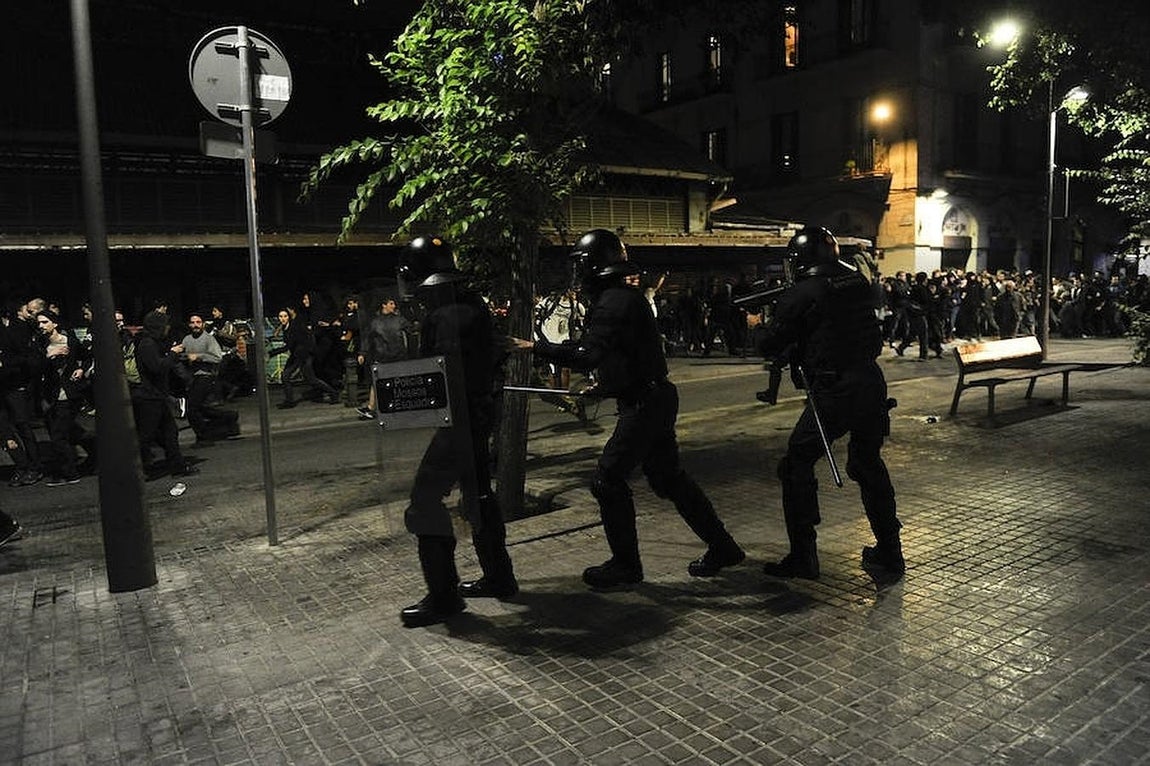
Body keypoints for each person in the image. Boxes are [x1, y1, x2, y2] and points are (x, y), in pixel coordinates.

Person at [511, 229, 743, 589]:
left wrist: (534, 348)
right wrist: (605, 386)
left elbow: (588, 353)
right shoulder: (622, 298)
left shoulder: (614, 302)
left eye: (581, 264)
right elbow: (628, 355)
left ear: (593, 265)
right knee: (669, 479)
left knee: (607, 480)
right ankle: (723, 547)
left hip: (645, 404)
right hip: (653, 397)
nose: (578, 273)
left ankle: (626, 566)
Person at [753, 226, 904, 584]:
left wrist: (757, 325)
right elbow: (831, 327)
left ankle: (803, 556)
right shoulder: (856, 282)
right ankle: (891, 551)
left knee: (796, 464)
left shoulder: (803, 292)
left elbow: (769, 344)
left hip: (835, 389)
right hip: (870, 382)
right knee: (868, 463)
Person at [396, 236, 516, 628]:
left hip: (458, 422)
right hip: (476, 417)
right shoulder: (472, 304)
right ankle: (499, 576)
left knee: (423, 502)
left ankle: (444, 597)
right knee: (479, 495)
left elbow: (443, 375)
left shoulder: (445, 316)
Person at [131, 310, 198, 479]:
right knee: (146, 436)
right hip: (148, 398)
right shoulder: (147, 344)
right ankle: (137, 469)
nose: (168, 328)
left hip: (157, 396)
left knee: (170, 432)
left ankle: (177, 466)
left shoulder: (153, 342)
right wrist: (173, 354)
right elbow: (157, 367)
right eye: (165, 325)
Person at [35, 309, 95, 486]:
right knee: (70, 431)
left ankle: (69, 473)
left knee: (58, 436)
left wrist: (81, 369)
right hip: (50, 395)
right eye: (39, 323)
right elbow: (35, 368)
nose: (41, 326)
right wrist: (49, 356)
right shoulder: (39, 344)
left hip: (69, 394)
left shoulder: (69, 340)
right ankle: (96, 452)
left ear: (54, 323)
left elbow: (87, 357)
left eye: (45, 322)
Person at [180, 313, 240, 445]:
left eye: (198, 322)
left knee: (192, 409)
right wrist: (181, 354)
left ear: (203, 324)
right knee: (199, 408)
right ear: (189, 324)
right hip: (193, 377)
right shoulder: (187, 339)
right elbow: (184, 354)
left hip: (206, 376)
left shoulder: (208, 339)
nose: (195, 325)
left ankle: (204, 437)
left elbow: (217, 357)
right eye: (193, 322)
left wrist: (199, 357)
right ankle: (230, 416)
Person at [358, 296, 415, 420]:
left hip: (384, 354)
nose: (393, 306)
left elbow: (367, 339)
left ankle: (371, 408)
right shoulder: (399, 320)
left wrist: (362, 353)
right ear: (384, 305)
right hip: (396, 354)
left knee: (377, 381)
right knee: (396, 380)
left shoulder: (376, 322)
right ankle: (403, 405)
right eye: (391, 303)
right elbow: (412, 330)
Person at [272, 307, 339, 409]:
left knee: (298, 377)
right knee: (304, 378)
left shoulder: (294, 327)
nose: (283, 318)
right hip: (296, 356)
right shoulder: (286, 328)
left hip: (303, 356)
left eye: (285, 316)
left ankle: (333, 393)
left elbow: (290, 345)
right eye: (280, 316)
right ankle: (289, 401)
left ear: (288, 317)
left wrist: (272, 353)